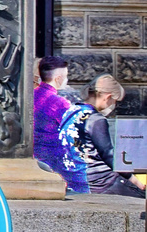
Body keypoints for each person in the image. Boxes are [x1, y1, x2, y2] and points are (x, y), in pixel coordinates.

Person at [60, 75, 146, 197]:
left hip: (75, 178)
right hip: (101, 182)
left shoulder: (71, 111)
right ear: (108, 97)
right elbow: (108, 154)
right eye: (115, 101)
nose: (114, 105)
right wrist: (135, 180)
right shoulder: (95, 119)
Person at [32, 56, 84, 189]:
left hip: (33, 156)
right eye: (66, 76)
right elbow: (75, 133)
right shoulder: (59, 103)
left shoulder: (30, 96)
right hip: (55, 160)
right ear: (59, 78)